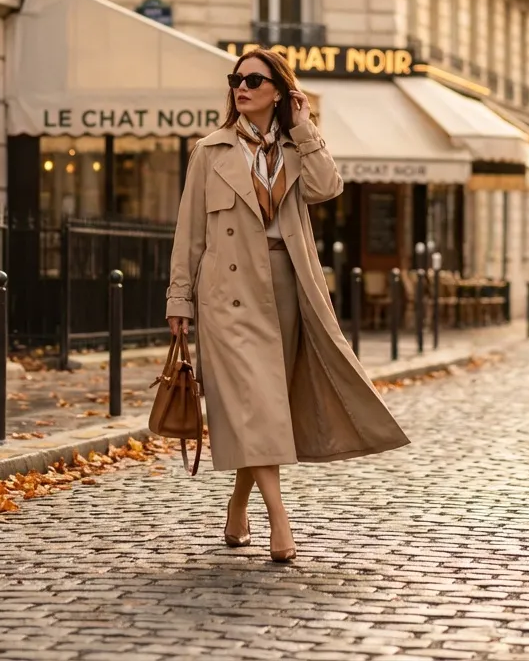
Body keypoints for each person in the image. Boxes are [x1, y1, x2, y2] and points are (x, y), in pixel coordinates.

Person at [165, 47, 410, 564]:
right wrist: (179, 300)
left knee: (267, 406)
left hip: (287, 285)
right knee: (254, 401)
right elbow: (188, 233)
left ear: (279, 90)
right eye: (236, 79)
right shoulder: (210, 151)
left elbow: (328, 188)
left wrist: (304, 127)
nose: (242, 87)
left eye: (254, 79)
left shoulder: (298, 148)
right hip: (227, 295)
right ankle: (281, 523)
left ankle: (238, 505)